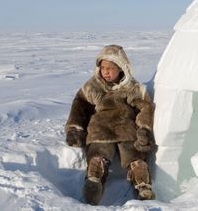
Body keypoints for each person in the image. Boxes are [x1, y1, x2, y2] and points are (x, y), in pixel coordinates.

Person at [65, 44, 156, 205]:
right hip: (101, 128)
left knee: (134, 154)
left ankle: (142, 184)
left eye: (111, 68)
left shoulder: (131, 87)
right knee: (99, 153)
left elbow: (145, 107)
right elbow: (80, 106)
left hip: (125, 128)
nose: (106, 71)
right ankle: (94, 179)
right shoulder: (93, 86)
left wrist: (143, 129)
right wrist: (75, 128)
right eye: (103, 67)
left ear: (121, 68)